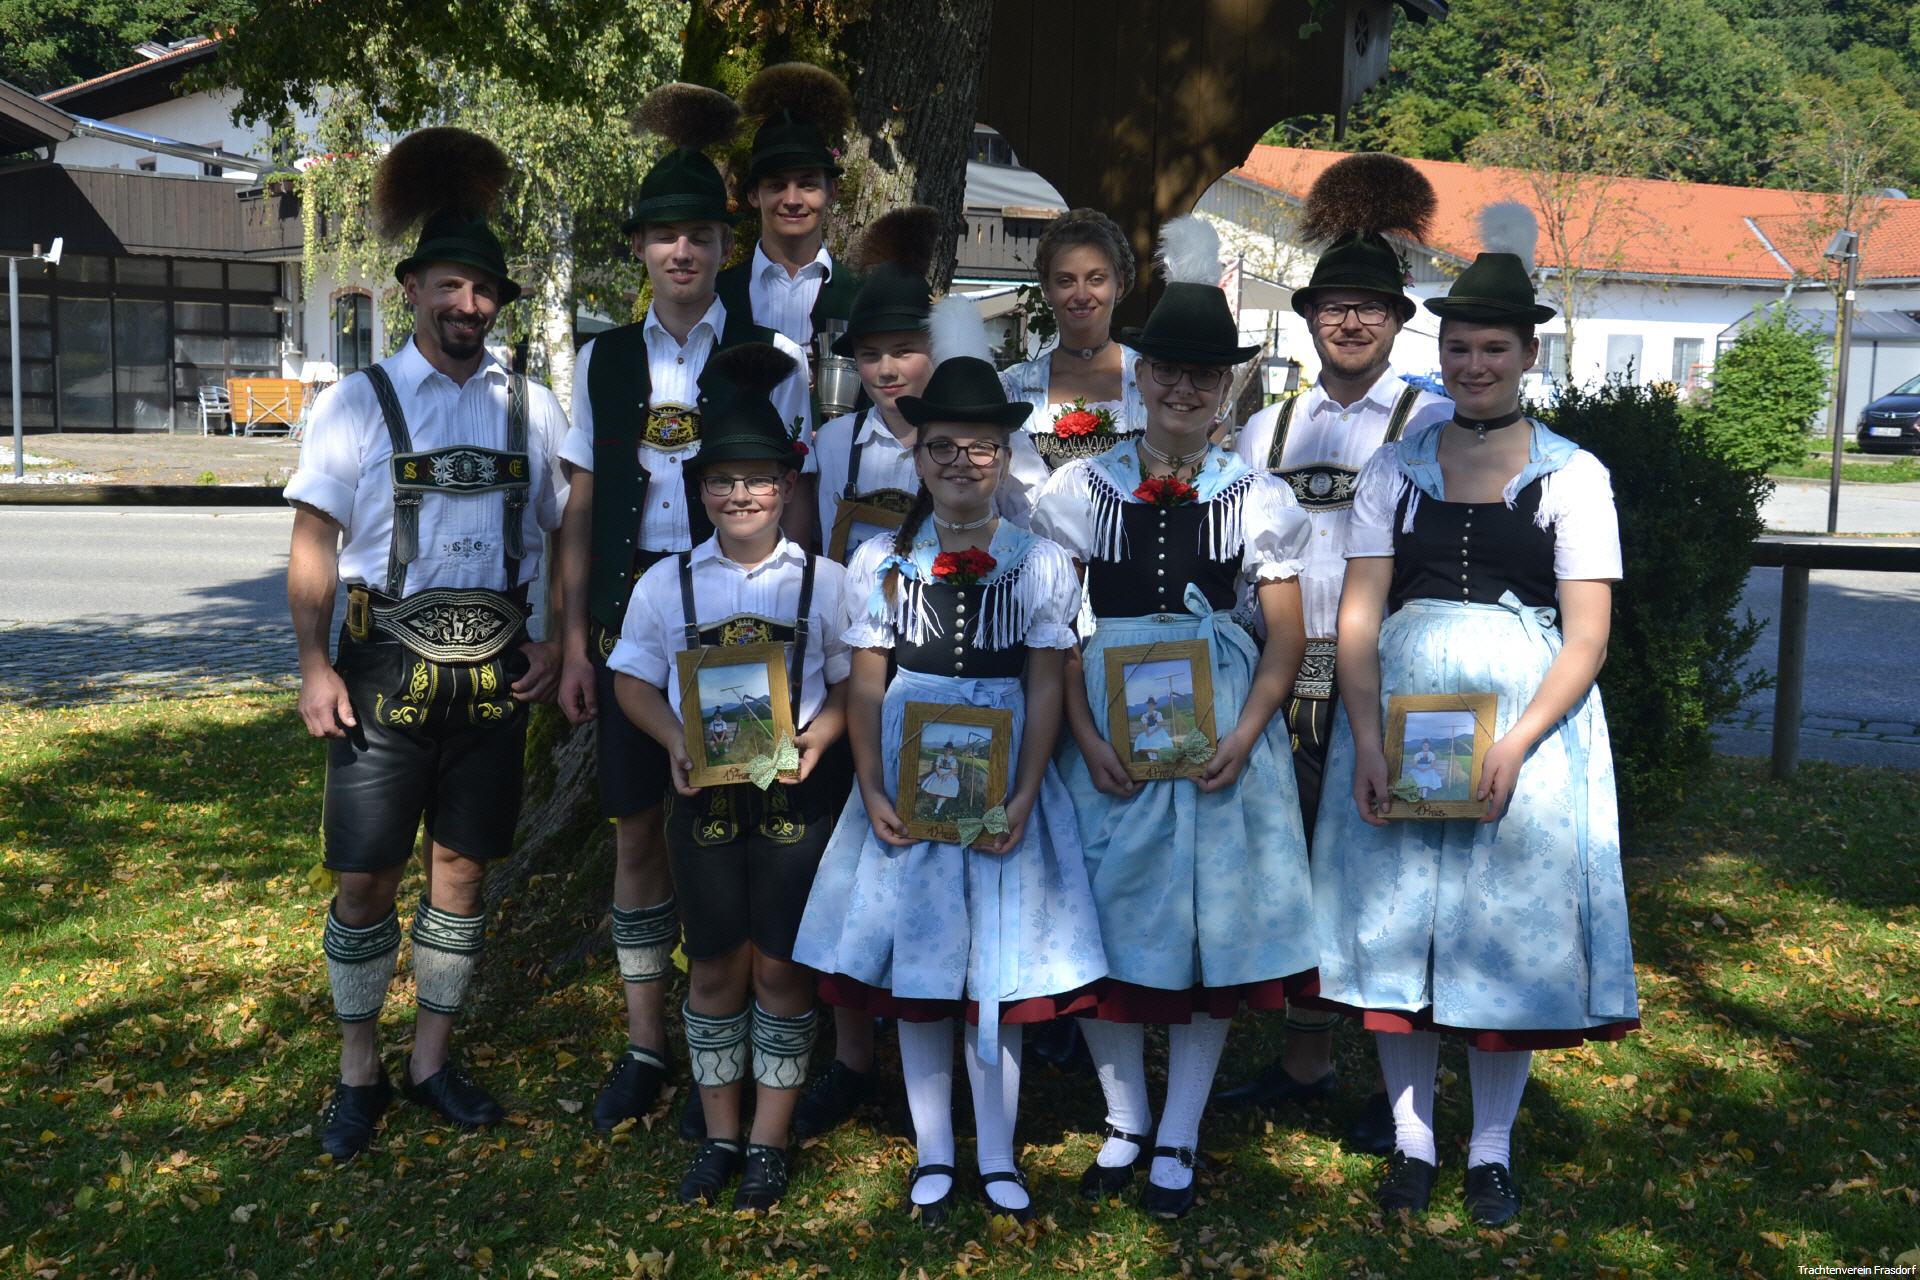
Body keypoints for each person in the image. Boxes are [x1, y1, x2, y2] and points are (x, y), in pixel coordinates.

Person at [1305, 202, 1639, 1227]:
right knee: (1398, 924)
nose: (1475, 364)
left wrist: (1522, 742)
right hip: (1402, 721)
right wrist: (1365, 737)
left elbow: (1586, 634)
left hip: (1525, 733)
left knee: (1500, 932)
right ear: (1439, 352)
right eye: (1459, 347)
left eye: (1494, 347)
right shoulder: (1395, 468)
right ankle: (1412, 1139)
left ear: (1529, 353)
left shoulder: (1574, 474)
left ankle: (1490, 1147)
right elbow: (1358, 613)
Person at [286, 128, 569, 1160]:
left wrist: (557, 638)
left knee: (461, 871)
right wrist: (314, 664)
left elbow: (563, 532)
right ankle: (357, 1067)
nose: (468, 303)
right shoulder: (355, 403)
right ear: (412, 289)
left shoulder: (531, 409)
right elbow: (313, 540)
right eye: (450, 283)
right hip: (378, 668)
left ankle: (430, 1060)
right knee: (365, 876)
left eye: (484, 289)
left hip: (495, 670)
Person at [793, 299, 1107, 1226]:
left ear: (1004, 457)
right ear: (919, 456)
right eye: (942, 448)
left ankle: (998, 1152)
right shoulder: (881, 563)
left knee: (996, 966)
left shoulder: (1040, 564)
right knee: (923, 970)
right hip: (909, 768)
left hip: (1005, 776)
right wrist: (873, 785)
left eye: (980, 448)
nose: (961, 463)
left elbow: (1046, 682)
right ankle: (935, 1151)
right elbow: (865, 683)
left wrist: (1025, 789)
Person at [1033, 217, 1316, 1219]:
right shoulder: (1078, 488)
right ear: (1141, 374)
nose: (1185, 389)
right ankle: (1124, 1118)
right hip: (1105, 729)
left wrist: (1245, 735)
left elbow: (1285, 634)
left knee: (1208, 929)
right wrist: (1083, 735)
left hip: (1219, 736)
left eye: (1205, 374)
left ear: (1228, 385)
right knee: (1102, 917)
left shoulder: (1258, 498)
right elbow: (1054, 631)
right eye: (1168, 371)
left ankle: (1181, 1128)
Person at [552, 81, 813, 1141]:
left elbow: (797, 494)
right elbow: (579, 506)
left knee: (743, 819)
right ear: (640, 248)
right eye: (664, 236)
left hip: (745, 607)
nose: (683, 252)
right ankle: (646, 1042)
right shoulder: (602, 358)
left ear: (723, 243)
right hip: (638, 610)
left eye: (700, 234)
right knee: (635, 832)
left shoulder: (771, 353)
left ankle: (742, 1027)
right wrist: (575, 642)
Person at [1216, 154, 1451, 1144]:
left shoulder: (1430, 422)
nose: (1350, 323)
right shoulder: (1264, 428)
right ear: (1309, 317)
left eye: (1370, 309)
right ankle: (1306, 1059)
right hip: (1279, 680)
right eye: (1333, 308)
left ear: (1398, 319)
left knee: (1387, 876)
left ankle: (1400, 1086)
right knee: (1294, 872)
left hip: (1378, 681)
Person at [606, 342, 852, 1210]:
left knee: (781, 969)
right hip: (703, 801)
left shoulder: (827, 583)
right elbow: (632, 679)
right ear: (698, 490)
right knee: (713, 967)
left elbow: (855, 681)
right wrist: (675, 738)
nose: (740, 495)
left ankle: (769, 1143)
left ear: (785, 487)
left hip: (799, 802)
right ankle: (719, 1136)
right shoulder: (665, 584)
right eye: (721, 481)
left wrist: (821, 737)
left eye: (757, 480)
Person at [717, 63, 860, 353]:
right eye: (777, 185)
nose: (792, 200)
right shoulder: (715, 295)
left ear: (832, 191)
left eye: (808, 184)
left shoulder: (862, 297)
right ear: (753, 194)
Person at [1000, 208, 1148, 470]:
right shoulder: (1015, 388)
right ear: (1047, 289)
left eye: (1096, 279)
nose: (1081, 295)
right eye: (1066, 281)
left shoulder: (1149, 380)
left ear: (1119, 285)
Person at [923, 746, 962, 814]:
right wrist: (939, 774)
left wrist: (947, 775)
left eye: (949, 750)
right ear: (944, 750)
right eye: (946, 750)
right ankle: (937, 800)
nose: (947, 751)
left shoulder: (953, 759)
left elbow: (953, 770)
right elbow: (937, 767)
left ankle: (938, 807)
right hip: (940, 772)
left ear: (951, 751)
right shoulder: (940, 757)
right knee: (935, 783)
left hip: (948, 774)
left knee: (946, 787)